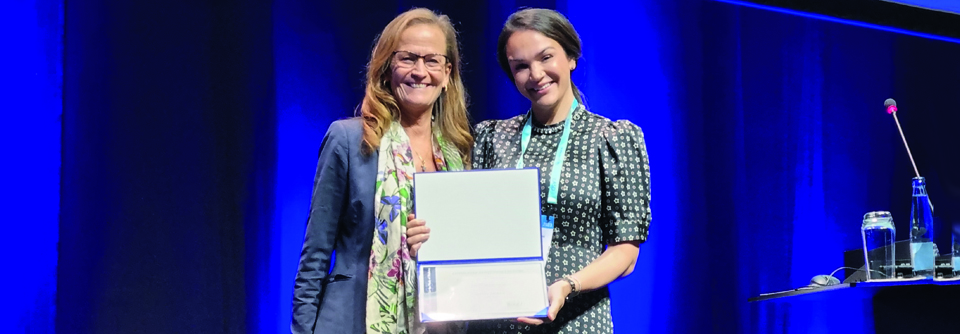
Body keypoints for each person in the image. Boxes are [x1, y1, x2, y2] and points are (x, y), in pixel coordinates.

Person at [407, 8, 651, 334]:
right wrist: (427, 237)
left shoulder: (611, 139)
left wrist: (567, 285)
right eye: (520, 66)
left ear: (571, 57)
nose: (535, 74)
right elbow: (467, 229)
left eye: (545, 57)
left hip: (575, 321)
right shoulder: (491, 138)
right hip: (495, 322)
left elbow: (626, 253)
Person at [291, 8, 473, 334]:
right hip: (350, 323)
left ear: (447, 74)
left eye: (432, 61)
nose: (420, 71)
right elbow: (315, 255)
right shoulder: (349, 139)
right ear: (387, 69)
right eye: (408, 58)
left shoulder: (457, 153)